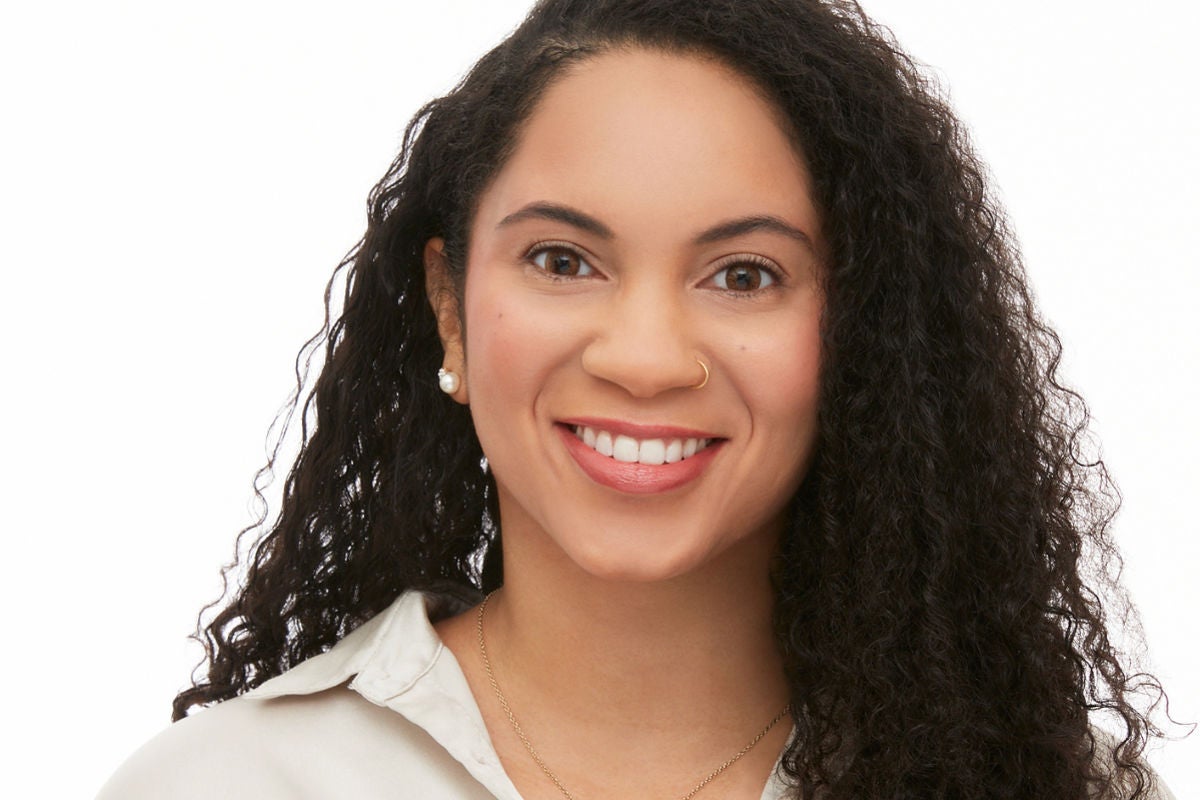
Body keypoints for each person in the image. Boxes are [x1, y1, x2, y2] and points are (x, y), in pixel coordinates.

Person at [98, 0, 1182, 797]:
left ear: (864, 337)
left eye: (744, 274)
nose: (648, 357)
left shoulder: (1049, 786)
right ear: (449, 310)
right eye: (564, 260)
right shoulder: (225, 785)